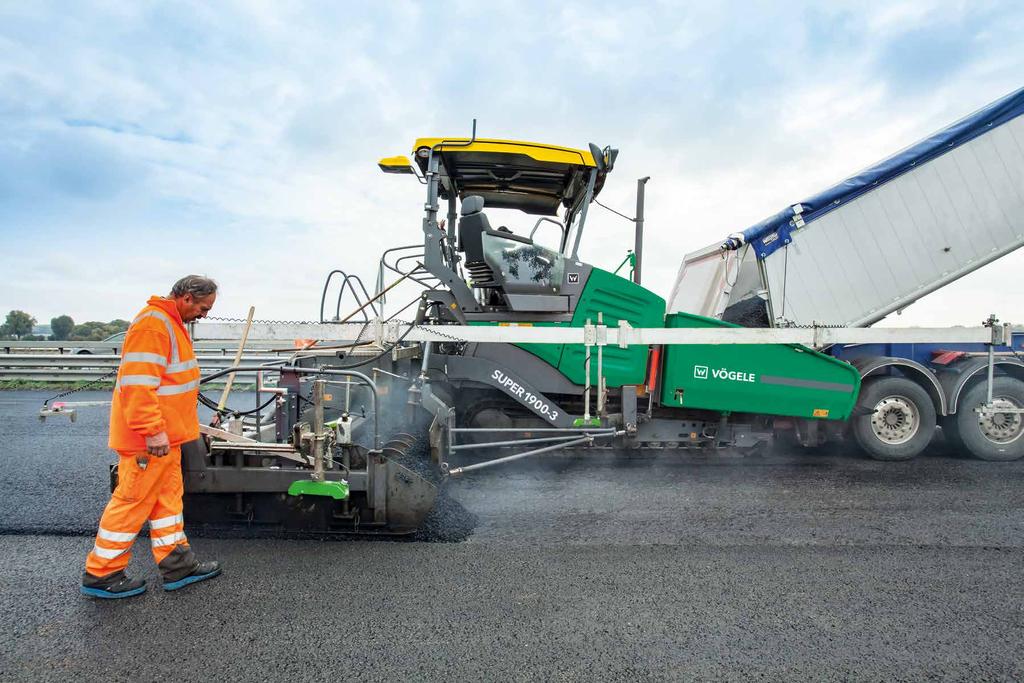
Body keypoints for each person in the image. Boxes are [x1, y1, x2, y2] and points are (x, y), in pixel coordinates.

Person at [81, 275, 222, 599]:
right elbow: (138, 384)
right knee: (131, 503)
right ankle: (101, 574)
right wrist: (153, 430)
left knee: (167, 503)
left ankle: (177, 565)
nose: (204, 314)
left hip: (167, 440)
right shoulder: (154, 325)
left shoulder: (172, 324)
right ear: (186, 297)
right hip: (149, 441)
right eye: (203, 307)